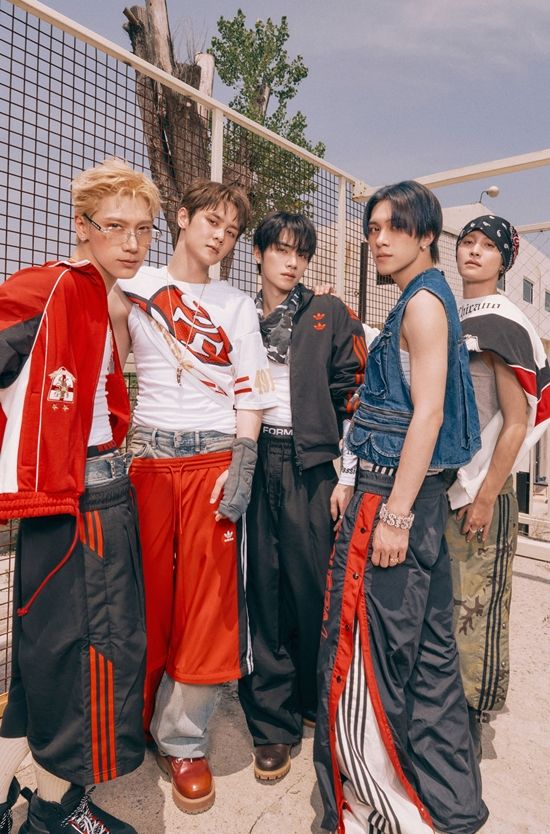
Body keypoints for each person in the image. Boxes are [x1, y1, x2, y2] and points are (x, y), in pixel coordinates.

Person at [314, 181, 489, 834]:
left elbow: (429, 414)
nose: (379, 239)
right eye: (373, 228)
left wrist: (392, 515)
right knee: (431, 661)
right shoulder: (429, 297)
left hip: (394, 500)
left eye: (394, 227)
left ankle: (376, 812)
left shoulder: (421, 304)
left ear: (426, 235)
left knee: (362, 661)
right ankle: (450, 805)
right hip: (411, 496)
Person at [0, 158, 161, 834]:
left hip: (89, 494)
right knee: (90, 657)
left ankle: (20, 800)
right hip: (77, 506)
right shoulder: (49, 286)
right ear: (82, 225)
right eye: (115, 226)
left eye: (143, 229)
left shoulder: (102, 295)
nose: (131, 242)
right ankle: (58, 812)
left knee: (46, 658)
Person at [109, 179, 276, 815]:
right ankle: (128, 724)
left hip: (212, 458)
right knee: (143, 596)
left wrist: (243, 459)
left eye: (232, 232)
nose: (220, 237)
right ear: (181, 218)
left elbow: (252, 389)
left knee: (208, 604)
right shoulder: (135, 286)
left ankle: (183, 739)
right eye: (212, 222)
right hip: (148, 458)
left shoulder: (236, 304)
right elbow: (107, 366)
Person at [238, 211, 367, 782]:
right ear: (259, 253)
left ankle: (319, 698)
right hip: (251, 455)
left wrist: (349, 474)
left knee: (313, 584)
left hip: (311, 463)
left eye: (301, 253)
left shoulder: (328, 312)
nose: (292, 263)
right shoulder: (238, 314)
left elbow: (356, 393)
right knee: (261, 588)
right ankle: (272, 722)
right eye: (282, 250)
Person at [447, 215, 550, 759]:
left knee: (477, 605)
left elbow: (518, 418)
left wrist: (486, 495)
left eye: (488, 246)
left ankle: (470, 720)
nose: (474, 251)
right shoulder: (453, 311)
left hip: (482, 490)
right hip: (445, 486)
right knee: (447, 602)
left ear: (505, 261)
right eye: (468, 241)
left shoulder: (505, 322)